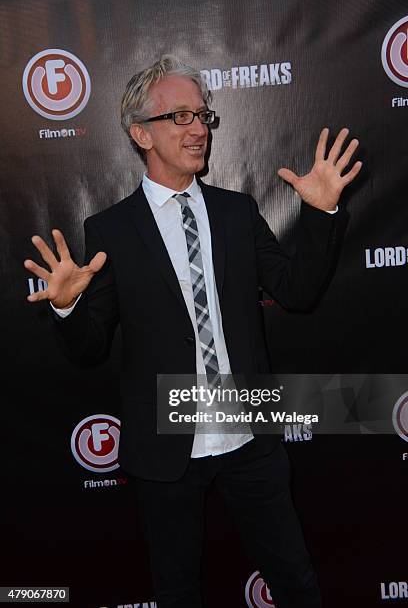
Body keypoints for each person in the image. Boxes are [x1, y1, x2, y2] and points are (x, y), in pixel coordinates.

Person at [24, 55, 361, 608]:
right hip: (164, 448)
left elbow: (298, 293)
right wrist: (67, 307)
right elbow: (89, 351)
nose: (199, 128)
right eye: (180, 117)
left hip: (250, 435)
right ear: (141, 134)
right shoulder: (110, 229)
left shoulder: (236, 211)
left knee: (295, 581)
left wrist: (320, 215)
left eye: (203, 115)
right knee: (177, 591)